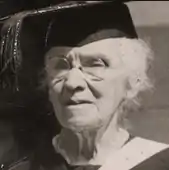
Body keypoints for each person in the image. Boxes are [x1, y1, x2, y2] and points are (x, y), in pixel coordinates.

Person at [1, 1, 169, 170]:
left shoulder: (160, 164)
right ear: (48, 86)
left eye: (95, 64)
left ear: (133, 82)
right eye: (60, 66)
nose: (73, 82)